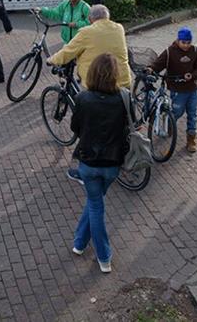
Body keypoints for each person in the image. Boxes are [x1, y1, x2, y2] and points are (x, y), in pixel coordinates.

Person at [68, 52, 129, 274]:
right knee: (96, 203)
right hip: (112, 165)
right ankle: (79, 243)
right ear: (115, 74)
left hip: (88, 163)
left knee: (95, 205)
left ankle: (104, 257)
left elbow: (75, 128)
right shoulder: (124, 97)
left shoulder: (83, 98)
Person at [148, 27, 197, 153]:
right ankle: (170, 123)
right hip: (177, 89)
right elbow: (158, 64)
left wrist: (193, 75)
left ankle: (191, 139)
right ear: (178, 40)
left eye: (188, 42)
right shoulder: (169, 52)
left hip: (192, 89)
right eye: (183, 42)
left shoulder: (195, 51)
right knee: (177, 112)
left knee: (193, 114)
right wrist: (151, 69)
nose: (186, 45)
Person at [47, 4, 131, 90]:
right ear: (107, 17)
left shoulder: (86, 32)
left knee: (83, 99)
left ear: (90, 19)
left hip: (98, 85)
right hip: (123, 83)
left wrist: (51, 60)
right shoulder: (119, 28)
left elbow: (67, 52)